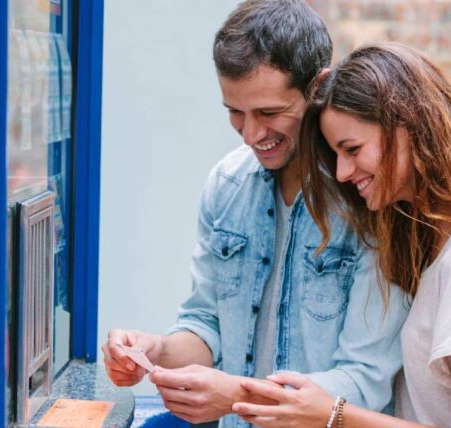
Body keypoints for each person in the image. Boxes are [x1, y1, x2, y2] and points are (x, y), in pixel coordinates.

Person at [102, 2, 408, 427]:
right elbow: (206, 323)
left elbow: (364, 383)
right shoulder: (226, 186)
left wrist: (235, 396)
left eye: (269, 113)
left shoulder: (370, 200)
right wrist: (155, 350)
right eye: (234, 112)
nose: (250, 135)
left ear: (318, 88)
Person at [232, 42, 451, 427]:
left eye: (352, 149)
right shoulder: (439, 242)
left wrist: (335, 416)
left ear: (409, 128)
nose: (344, 172)